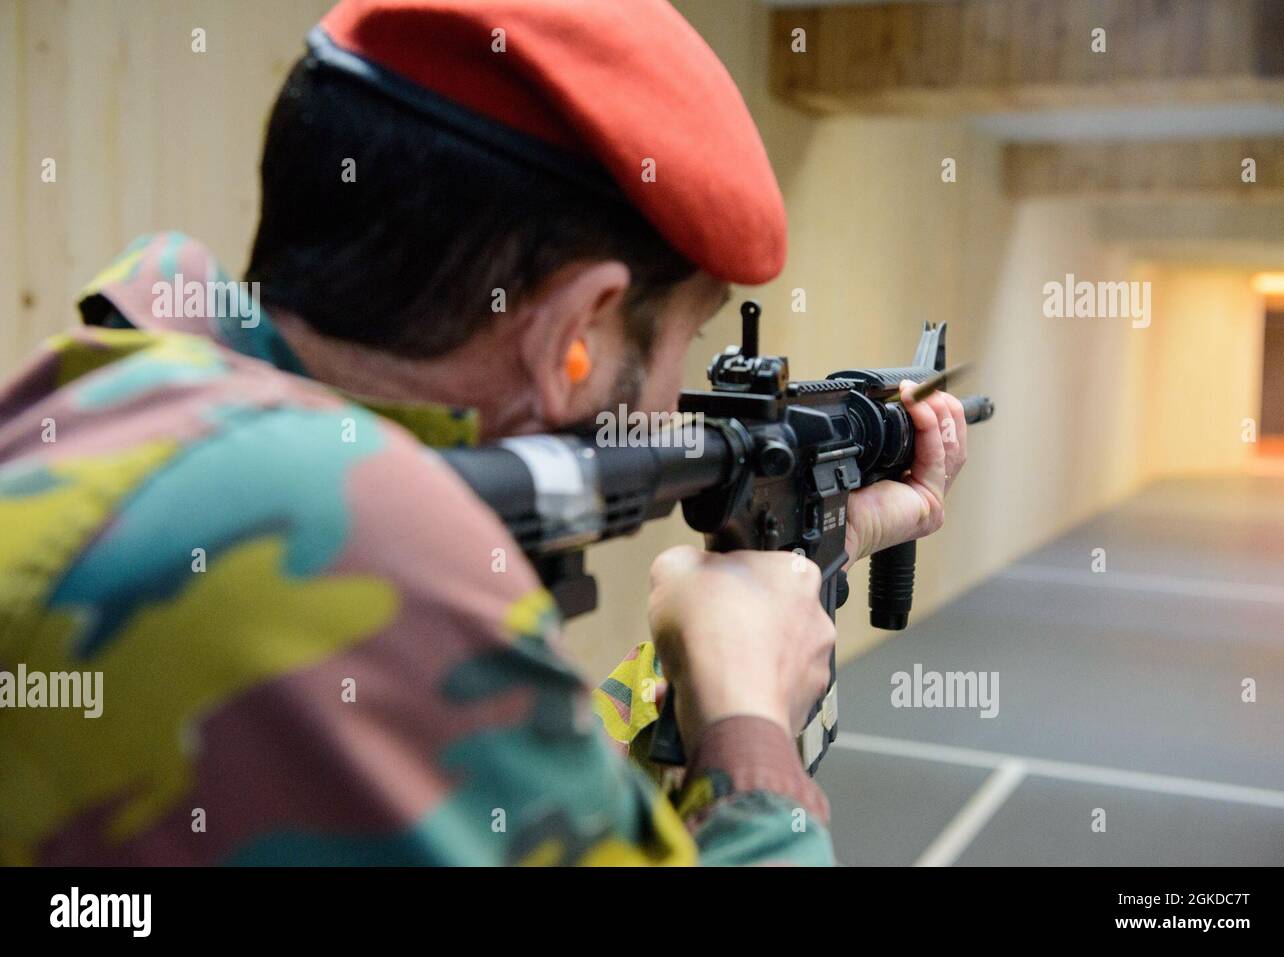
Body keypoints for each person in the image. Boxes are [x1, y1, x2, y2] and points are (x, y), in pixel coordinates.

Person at [0, 0, 967, 866]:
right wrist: (752, 739)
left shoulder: (127, 409)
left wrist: (739, 631)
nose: (680, 403)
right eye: (690, 338)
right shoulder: (326, 532)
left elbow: (505, 796)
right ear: (575, 334)